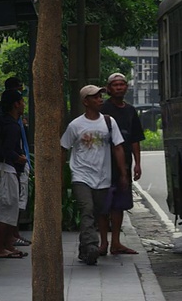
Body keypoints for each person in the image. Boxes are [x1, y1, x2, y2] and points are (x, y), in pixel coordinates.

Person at [61, 85, 127, 265]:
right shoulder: (75, 125)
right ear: (86, 102)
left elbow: (118, 147)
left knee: (99, 212)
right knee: (87, 209)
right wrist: (60, 175)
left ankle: (85, 250)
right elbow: (63, 148)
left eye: (100, 96)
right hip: (81, 176)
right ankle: (91, 246)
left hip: (102, 178)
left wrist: (123, 174)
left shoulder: (108, 122)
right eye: (95, 97)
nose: (100, 99)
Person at [99, 73, 145, 256]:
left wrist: (137, 164)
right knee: (103, 205)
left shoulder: (131, 110)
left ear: (126, 87)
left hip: (124, 163)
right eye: (115, 85)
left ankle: (116, 243)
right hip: (104, 164)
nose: (119, 87)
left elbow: (135, 139)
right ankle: (103, 242)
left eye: (122, 84)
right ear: (109, 88)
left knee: (119, 205)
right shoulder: (102, 109)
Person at [0, 89, 28, 259]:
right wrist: (20, 158)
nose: (24, 104)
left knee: (3, 209)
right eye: (22, 101)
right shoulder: (11, 125)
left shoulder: (0, 122)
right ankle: (0, 248)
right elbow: (7, 149)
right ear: (16, 104)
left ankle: (6, 245)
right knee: (6, 209)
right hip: (6, 170)